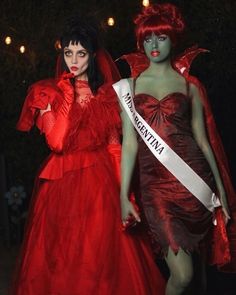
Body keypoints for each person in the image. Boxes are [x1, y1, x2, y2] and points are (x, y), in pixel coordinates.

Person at [12, 17, 166, 294]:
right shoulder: (48, 93)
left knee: (100, 261)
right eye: (68, 53)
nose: (73, 60)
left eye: (80, 53)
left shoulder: (107, 96)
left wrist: (126, 196)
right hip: (62, 187)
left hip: (100, 185)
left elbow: (114, 147)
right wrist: (66, 96)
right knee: (62, 260)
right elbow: (57, 142)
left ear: (92, 55)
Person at [113, 3, 236, 295]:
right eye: (147, 38)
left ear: (173, 38)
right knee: (182, 275)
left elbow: (204, 142)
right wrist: (123, 195)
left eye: (161, 37)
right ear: (141, 42)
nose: (154, 45)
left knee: (196, 278)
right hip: (155, 188)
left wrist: (223, 198)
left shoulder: (190, 86)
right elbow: (129, 144)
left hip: (195, 184)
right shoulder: (127, 87)